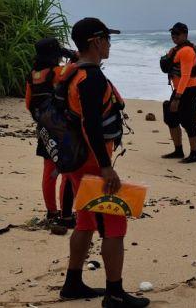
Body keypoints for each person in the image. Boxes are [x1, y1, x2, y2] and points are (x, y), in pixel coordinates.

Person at [58, 17, 149, 308]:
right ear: (96, 42)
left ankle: (72, 283)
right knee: (113, 223)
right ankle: (114, 294)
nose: (110, 44)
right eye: (107, 39)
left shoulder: (71, 72)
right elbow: (91, 125)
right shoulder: (91, 77)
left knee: (84, 220)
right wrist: (105, 166)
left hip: (75, 158)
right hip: (91, 161)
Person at [25, 37, 75, 228]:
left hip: (44, 129)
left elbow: (29, 104)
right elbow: (75, 68)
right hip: (61, 129)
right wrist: (73, 56)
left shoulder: (32, 76)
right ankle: (65, 213)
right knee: (67, 173)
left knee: (49, 172)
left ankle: (51, 211)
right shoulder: (56, 72)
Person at [161, 22, 196, 163]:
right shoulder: (177, 49)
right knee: (171, 118)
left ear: (185, 34)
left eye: (177, 34)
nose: (174, 36)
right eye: (172, 34)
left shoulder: (187, 51)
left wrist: (177, 98)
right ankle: (178, 150)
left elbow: (185, 75)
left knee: (188, 121)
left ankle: (194, 154)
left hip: (188, 90)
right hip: (180, 89)